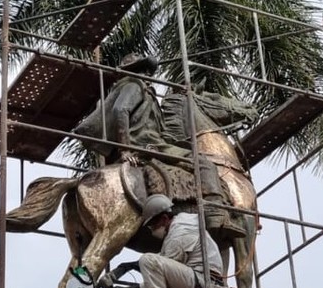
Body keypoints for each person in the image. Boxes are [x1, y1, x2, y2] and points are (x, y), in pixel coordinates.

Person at [73, 53, 243, 241]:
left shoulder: (138, 90)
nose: (149, 75)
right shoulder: (134, 85)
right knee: (204, 163)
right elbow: (120, 110)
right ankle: (215, 214)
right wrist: (125, 149)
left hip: (150, 143)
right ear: (140, 71)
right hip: (147, 145)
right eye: (146, 71)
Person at [136, 194, 225, 288]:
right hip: (198, 278)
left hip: (205, 282)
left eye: (153, 225)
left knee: (147, 260)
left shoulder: (179, 232)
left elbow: (160, 272)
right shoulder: (178, 225)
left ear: (164, 218)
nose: (152, 230)